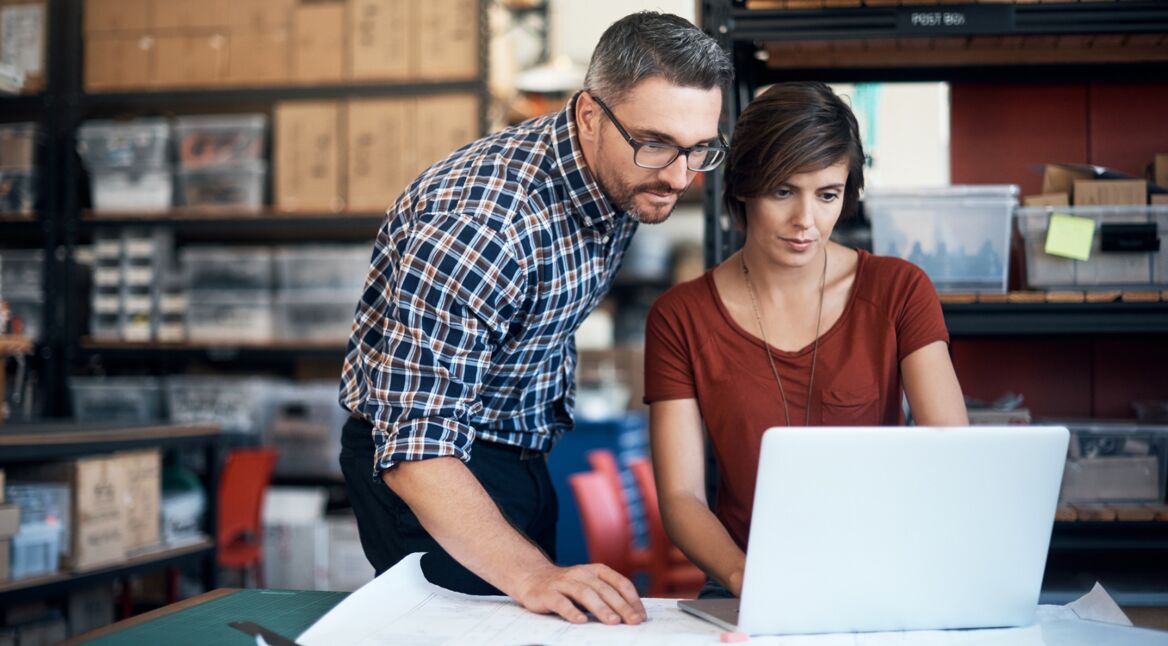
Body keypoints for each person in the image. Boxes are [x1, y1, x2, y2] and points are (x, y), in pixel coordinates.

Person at [337, 11, 733, 624]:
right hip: (432, 468)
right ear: (589, 116)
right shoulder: (482, 225)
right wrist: (531, 573)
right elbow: (416, 442)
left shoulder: (626, 172)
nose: (680, 176)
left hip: (522, 448)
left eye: (699, 149)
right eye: (656, 144)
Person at [643, 81, 969, 600]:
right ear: (744, 187)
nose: (805, 222)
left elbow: (953, 457)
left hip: (883, 576)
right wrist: (743, 576)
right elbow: (682, 497)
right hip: (744, 582)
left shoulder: (899, 290)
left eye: (827, 195)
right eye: (782, 191)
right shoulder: (680, 317)